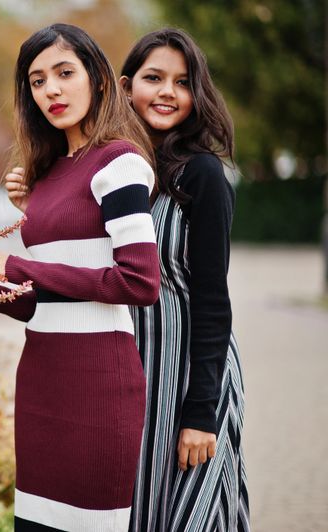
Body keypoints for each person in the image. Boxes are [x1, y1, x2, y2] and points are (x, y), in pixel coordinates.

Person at [0, 23, 160, 531]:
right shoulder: (43, 180)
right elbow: (43, 299)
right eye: (38, 80)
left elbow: (139, 282)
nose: (52, 90)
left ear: (100, 80)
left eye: (65, 73)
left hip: (98, 383)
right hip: (42, 380)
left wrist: (16, 265)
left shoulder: (120, 164)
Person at [117, 28, 250, 531]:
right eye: (154, 78)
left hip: (190, 376)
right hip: (132, 376)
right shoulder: (112, 173)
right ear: (127, 86)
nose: (168, 92)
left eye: (182, 81)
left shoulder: (202, 176)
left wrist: (201, 413)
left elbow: (214, 301)